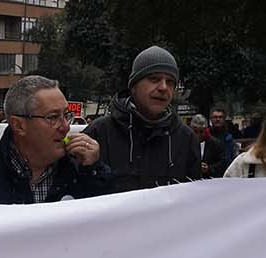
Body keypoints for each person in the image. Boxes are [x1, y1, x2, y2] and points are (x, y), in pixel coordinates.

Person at [0, 75, 108, 204]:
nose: (65, 127)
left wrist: (93, 170)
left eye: (66, 115)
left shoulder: (81, 171)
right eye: (52, 117)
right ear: (18, 125)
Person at [83, 48, 203, 190]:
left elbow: (194, 200)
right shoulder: (99, 132)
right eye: (154, 79)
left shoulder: (186, 139)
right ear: (133, 86)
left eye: (170, 82)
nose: (163, 87)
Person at [206, 107, 237, 173]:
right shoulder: (205, 136)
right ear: (211, 119)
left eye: (220, 117)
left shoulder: (229, 138)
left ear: (224, 119)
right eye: (215, 117)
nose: (218, 119)